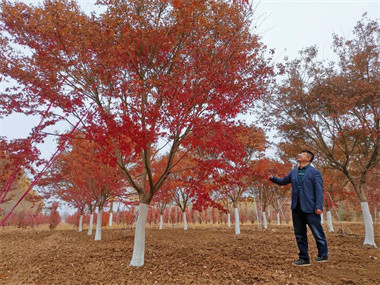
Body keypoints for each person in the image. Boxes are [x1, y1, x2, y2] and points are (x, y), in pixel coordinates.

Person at [269, 150, 328, 266]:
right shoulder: (294, 172)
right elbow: (283, 182)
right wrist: (272, 178)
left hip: (311, 208)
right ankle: (304, 258)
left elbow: (319, 191)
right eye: (299, 153)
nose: (299, 155)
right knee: (300, 234)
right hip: (297, 208)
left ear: (308, 159)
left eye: (302, 154)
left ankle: (323, 254)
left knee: (317, 232)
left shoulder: (315, 173)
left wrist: (319, 206)